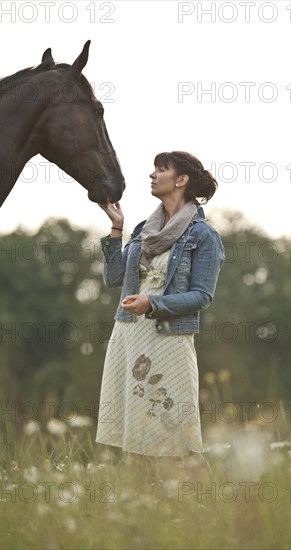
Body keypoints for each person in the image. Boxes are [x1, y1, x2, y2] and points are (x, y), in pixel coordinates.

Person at [95, 151, 225, 484]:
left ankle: (213, 508)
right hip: (129, 335)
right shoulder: (143, 230)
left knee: (179, 436)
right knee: (135, 434)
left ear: (181, 180)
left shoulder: (204, 236)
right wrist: (116, 228)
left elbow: (202, 296)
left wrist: (152, 303)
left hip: (168, 340)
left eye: (161, 170)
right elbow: (114, 279)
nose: (152, 175)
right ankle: (145, 514)